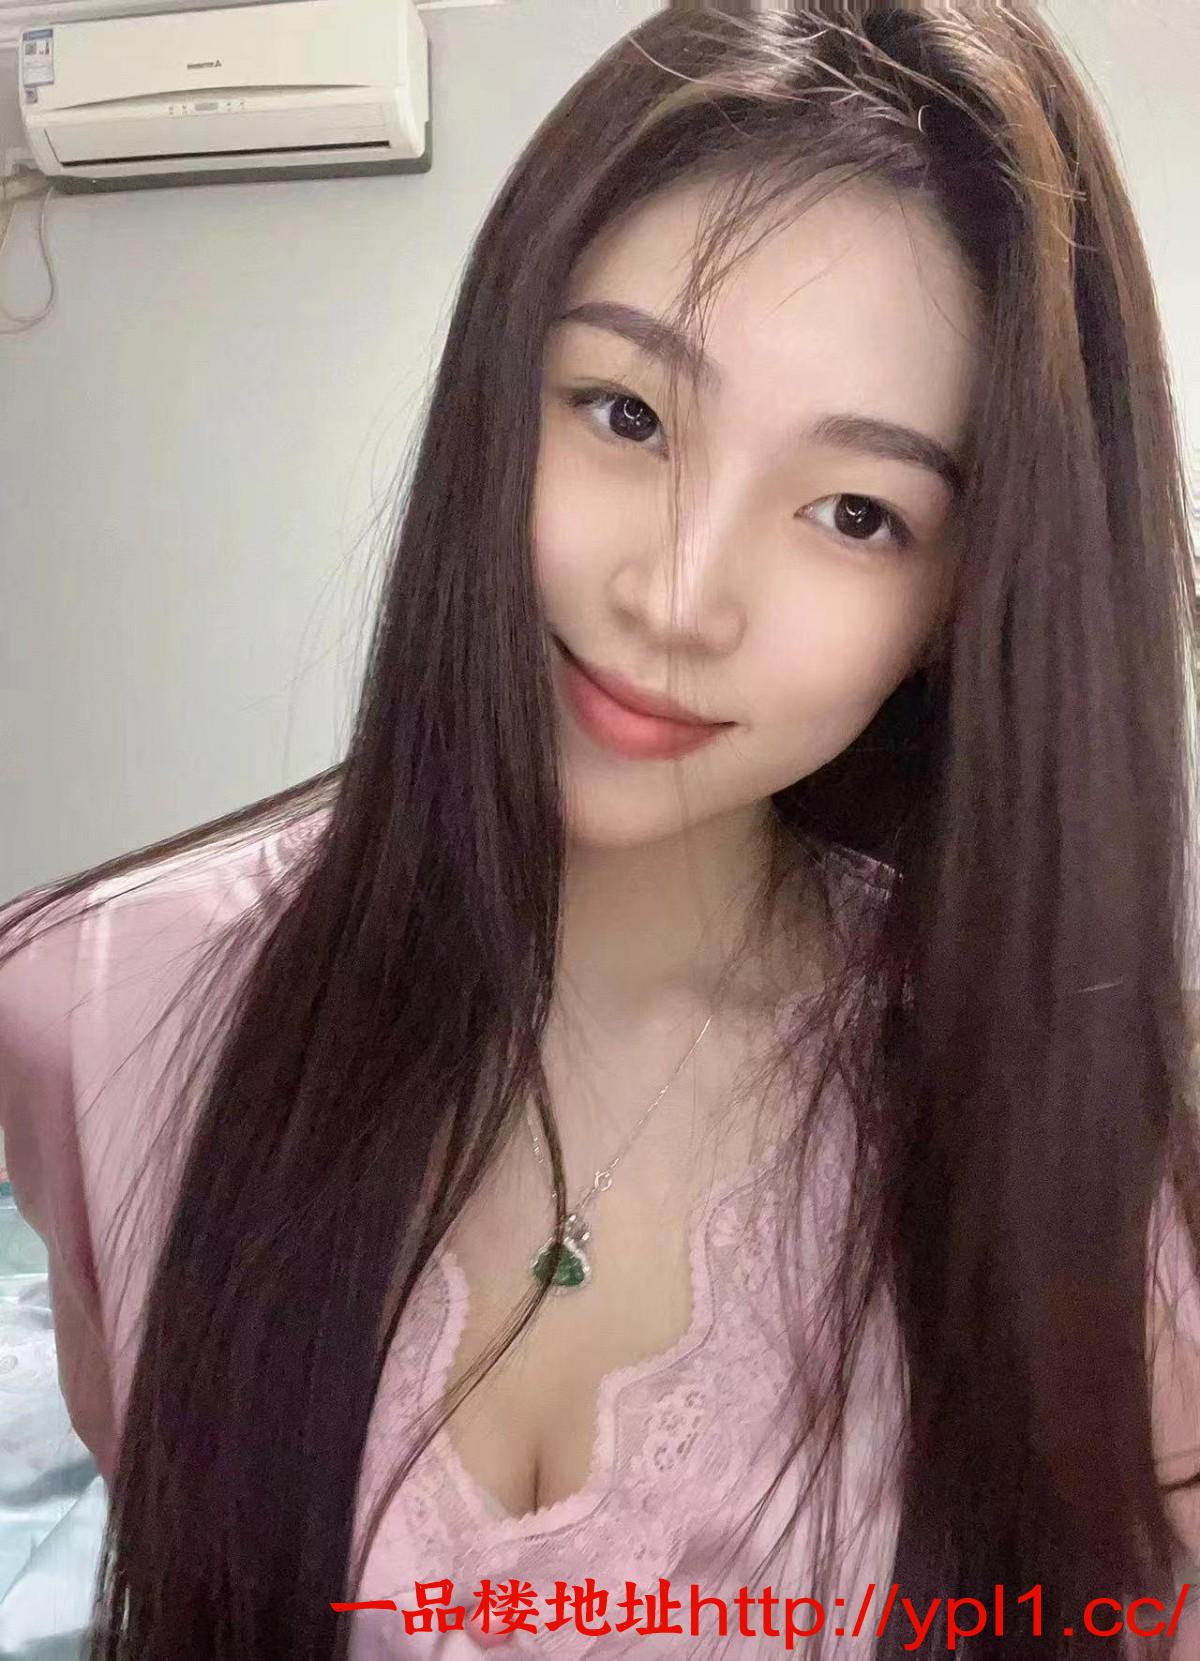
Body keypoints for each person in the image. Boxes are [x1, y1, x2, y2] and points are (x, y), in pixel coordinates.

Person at [1, 2, 1198, 1657]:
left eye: (856, 512)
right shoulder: (94, 1004)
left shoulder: (1066, 1138)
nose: (678, 595)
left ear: (963, 603)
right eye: (628, 413)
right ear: (501, 384)